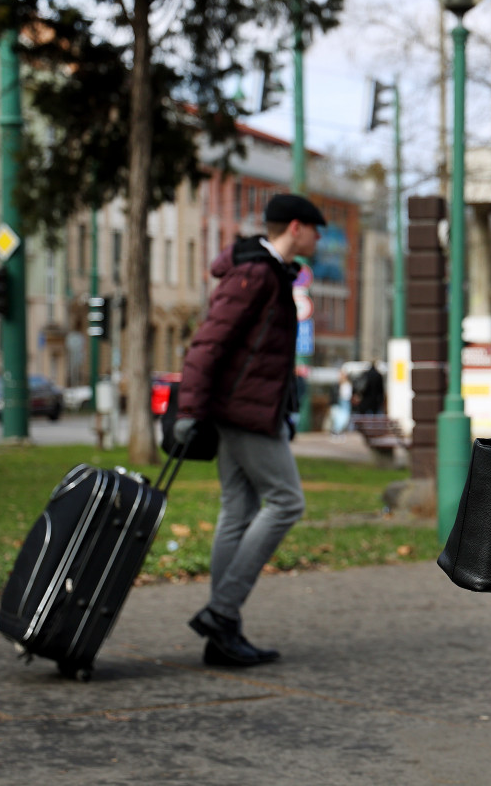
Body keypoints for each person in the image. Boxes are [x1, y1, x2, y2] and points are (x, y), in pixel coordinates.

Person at [172, 193, 324, 667]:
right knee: (286, 501)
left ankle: (223, 636)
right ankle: (221, 612)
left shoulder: (271, 272)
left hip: (251, 408)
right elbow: (207, 344)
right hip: (244, 412)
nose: (320, 239)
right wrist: (189, 411)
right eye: (316, 230)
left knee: (237, 510)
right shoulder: (256, 273)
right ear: (295, 227)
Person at [332, 363, 353, 435]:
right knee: (342, 416)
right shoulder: (339, 384)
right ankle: (337, 430)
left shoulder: (346, 383)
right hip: (343, 401)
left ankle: (339, 430)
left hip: (346, 400)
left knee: (345, 416)